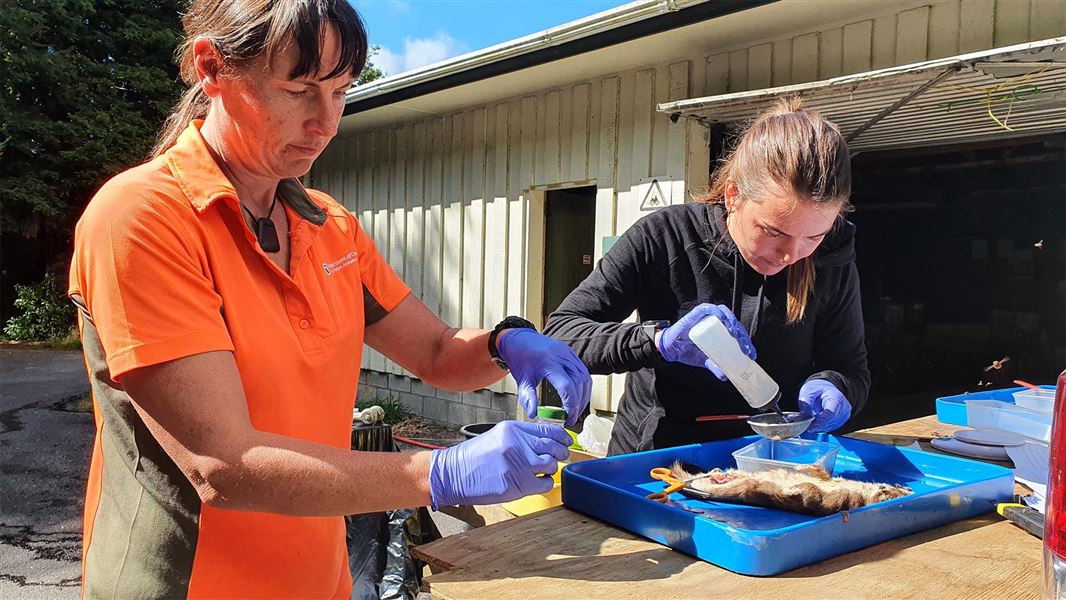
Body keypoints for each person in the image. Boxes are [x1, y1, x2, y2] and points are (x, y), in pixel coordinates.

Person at [67, 2, 590, 597]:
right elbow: (223, 465)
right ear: (211, 68)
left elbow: (438, 352)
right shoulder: (142, 219)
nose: (325, 122)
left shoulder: (328, 227)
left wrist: (505, 344)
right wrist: (439, 472)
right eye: (299, 90)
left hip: (319, 579)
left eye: (341, 92)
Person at [544, 98, 869, 455]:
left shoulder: (832, 258)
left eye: (814, 236)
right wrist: (658, 342)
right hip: (657, 459)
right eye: (773, 231)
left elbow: (850, 367)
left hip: (772, 457)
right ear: (733, 195)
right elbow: (562, 333)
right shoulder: (666, 236)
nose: (791, 254)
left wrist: (835, 386)